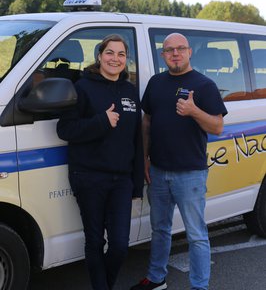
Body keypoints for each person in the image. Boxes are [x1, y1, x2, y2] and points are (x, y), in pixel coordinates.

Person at [130, 33, 227, 290]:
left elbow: (217, 126)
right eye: (169, 50)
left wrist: (194, 111)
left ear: (189, 52)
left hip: (190, 174)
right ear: (163, 55)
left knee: (196, 235)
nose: (175, 54)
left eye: (180, 49)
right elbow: (147, 122)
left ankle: (199, 286)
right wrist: (145, 159)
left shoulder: (204, 85)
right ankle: (156, 278)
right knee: (159, 230)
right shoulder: (156, 83)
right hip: (159, 171)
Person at [57, 34, 144, 290]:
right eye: (109, 53)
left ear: (126, 59)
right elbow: (66, 130)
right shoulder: (83, 87)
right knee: (95, 242)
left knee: (119, 245)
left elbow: (136, 140)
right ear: (99, 56)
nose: (115, 59)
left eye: (121, 54)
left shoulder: (130, 90)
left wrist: (136, 185)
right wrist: (101, 122)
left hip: (121, 181)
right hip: (89, 177)